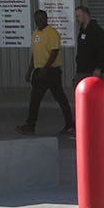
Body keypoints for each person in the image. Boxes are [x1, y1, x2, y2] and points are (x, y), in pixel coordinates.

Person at [19, 8, 73, 136]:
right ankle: (30, 125)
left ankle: (70, 125)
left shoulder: (52, 33)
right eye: (36, 18)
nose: (39, 20)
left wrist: (45, 69)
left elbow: (54, 52)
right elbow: (35, 55)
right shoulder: (35, 34)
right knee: (35, 98)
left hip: (51, 71)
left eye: (41, 18)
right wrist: (29, 71)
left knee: (60, 98)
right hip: (39, 71)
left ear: (46, 18)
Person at [72, 6, 104, 138]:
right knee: (82, 102)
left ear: (85, 14)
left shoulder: (97, 31)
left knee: (98, 101)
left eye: (78, 15)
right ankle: (83, 131)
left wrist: (99, 68)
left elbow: (102, 52)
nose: (76, 19)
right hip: (81, 71)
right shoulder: (82, 30)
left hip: (92, 71)